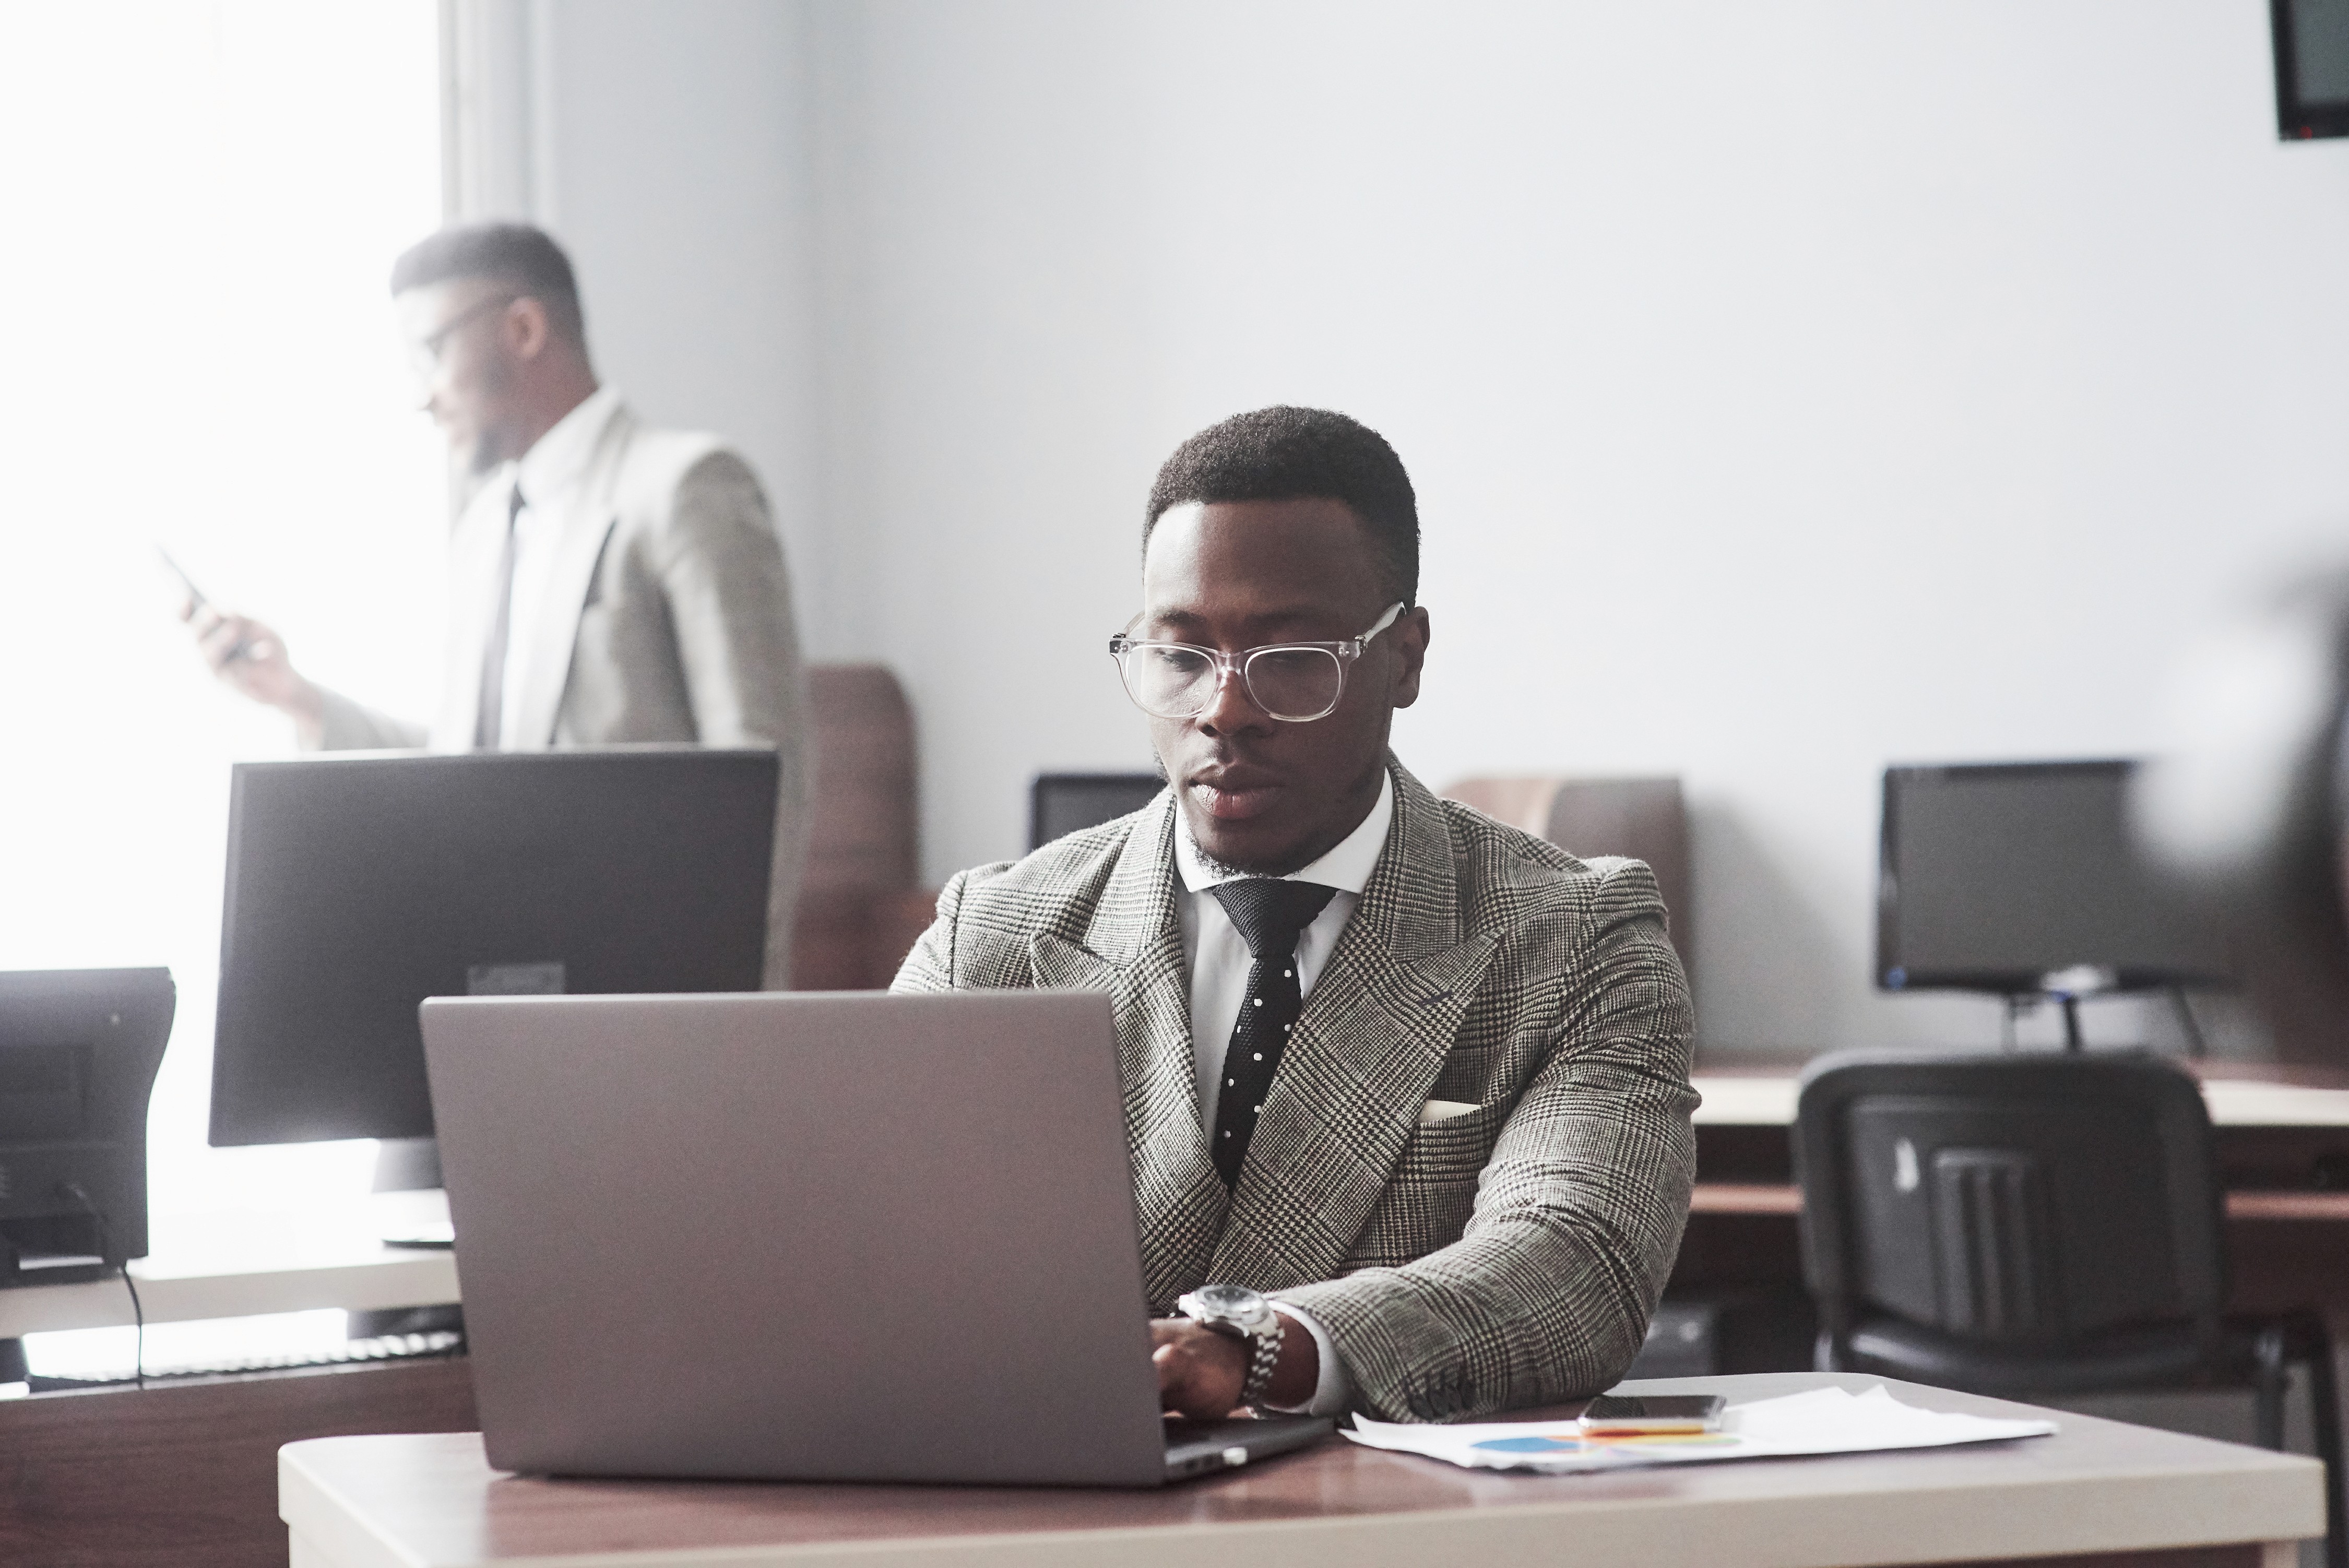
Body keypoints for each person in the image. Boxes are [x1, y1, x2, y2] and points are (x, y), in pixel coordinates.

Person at [893, 406, 1696, 1423]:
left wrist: (1261, 1348)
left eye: (1289, 659)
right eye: (1181, 655)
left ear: (1405, 656)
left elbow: (1572, 1262)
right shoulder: (992, 934)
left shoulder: (1578, 941)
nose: (1224, 708)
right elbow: (863, 1246)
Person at [186, 222, 808, 985]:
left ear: (522, 328)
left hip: (657, 1003)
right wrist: (301, 701)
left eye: (433, 350)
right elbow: (469, 773)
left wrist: (728, 1013)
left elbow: (765, 778)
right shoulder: (483, 528)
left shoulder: (685, 486)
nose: (422, 395)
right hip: (494, 1001)